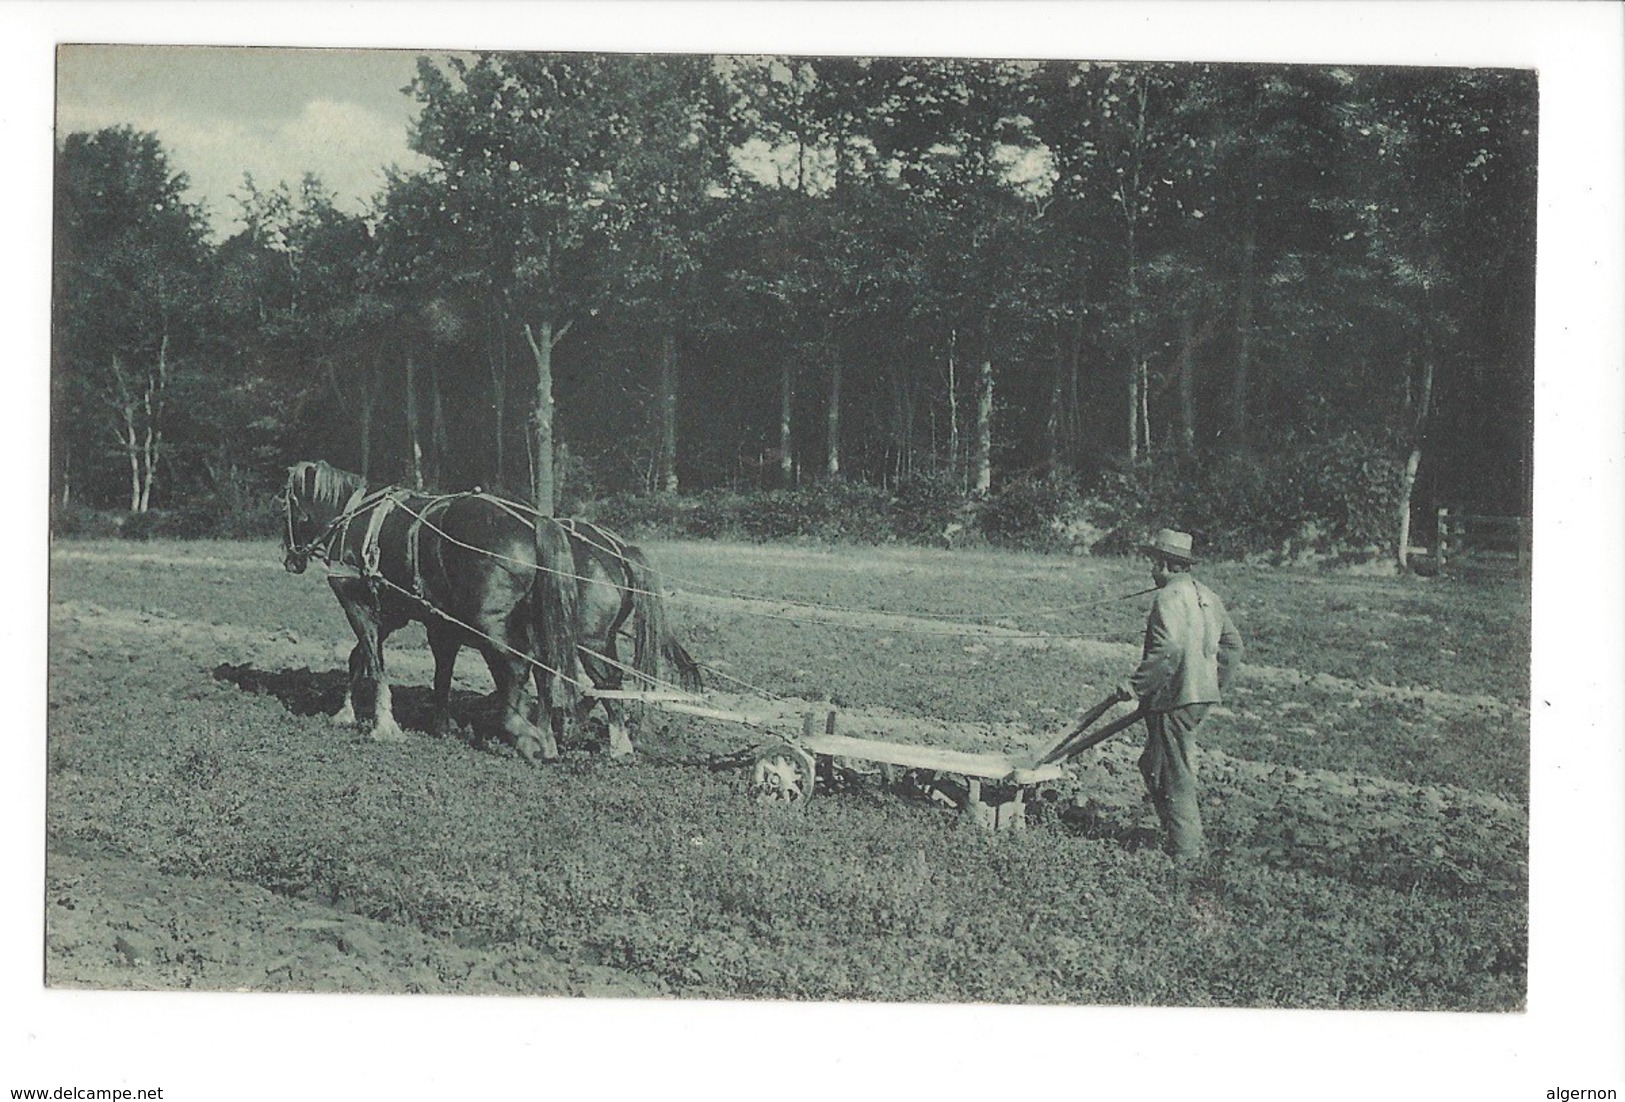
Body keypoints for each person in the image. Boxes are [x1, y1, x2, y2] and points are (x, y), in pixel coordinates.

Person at [1112, 528, 1243, 863]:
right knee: (1153, 764)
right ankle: (1176, 838)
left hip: (1173, 699)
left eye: (1154, 564)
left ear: (1165, 564)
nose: (1152, 571)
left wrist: (1137, 685)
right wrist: (1210, 686)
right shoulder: (1207, 595)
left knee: (1172, 772)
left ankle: (1185, 852)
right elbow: (1233, 646)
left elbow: (1168, 647)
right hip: (1195, 698)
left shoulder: (1168, 597)